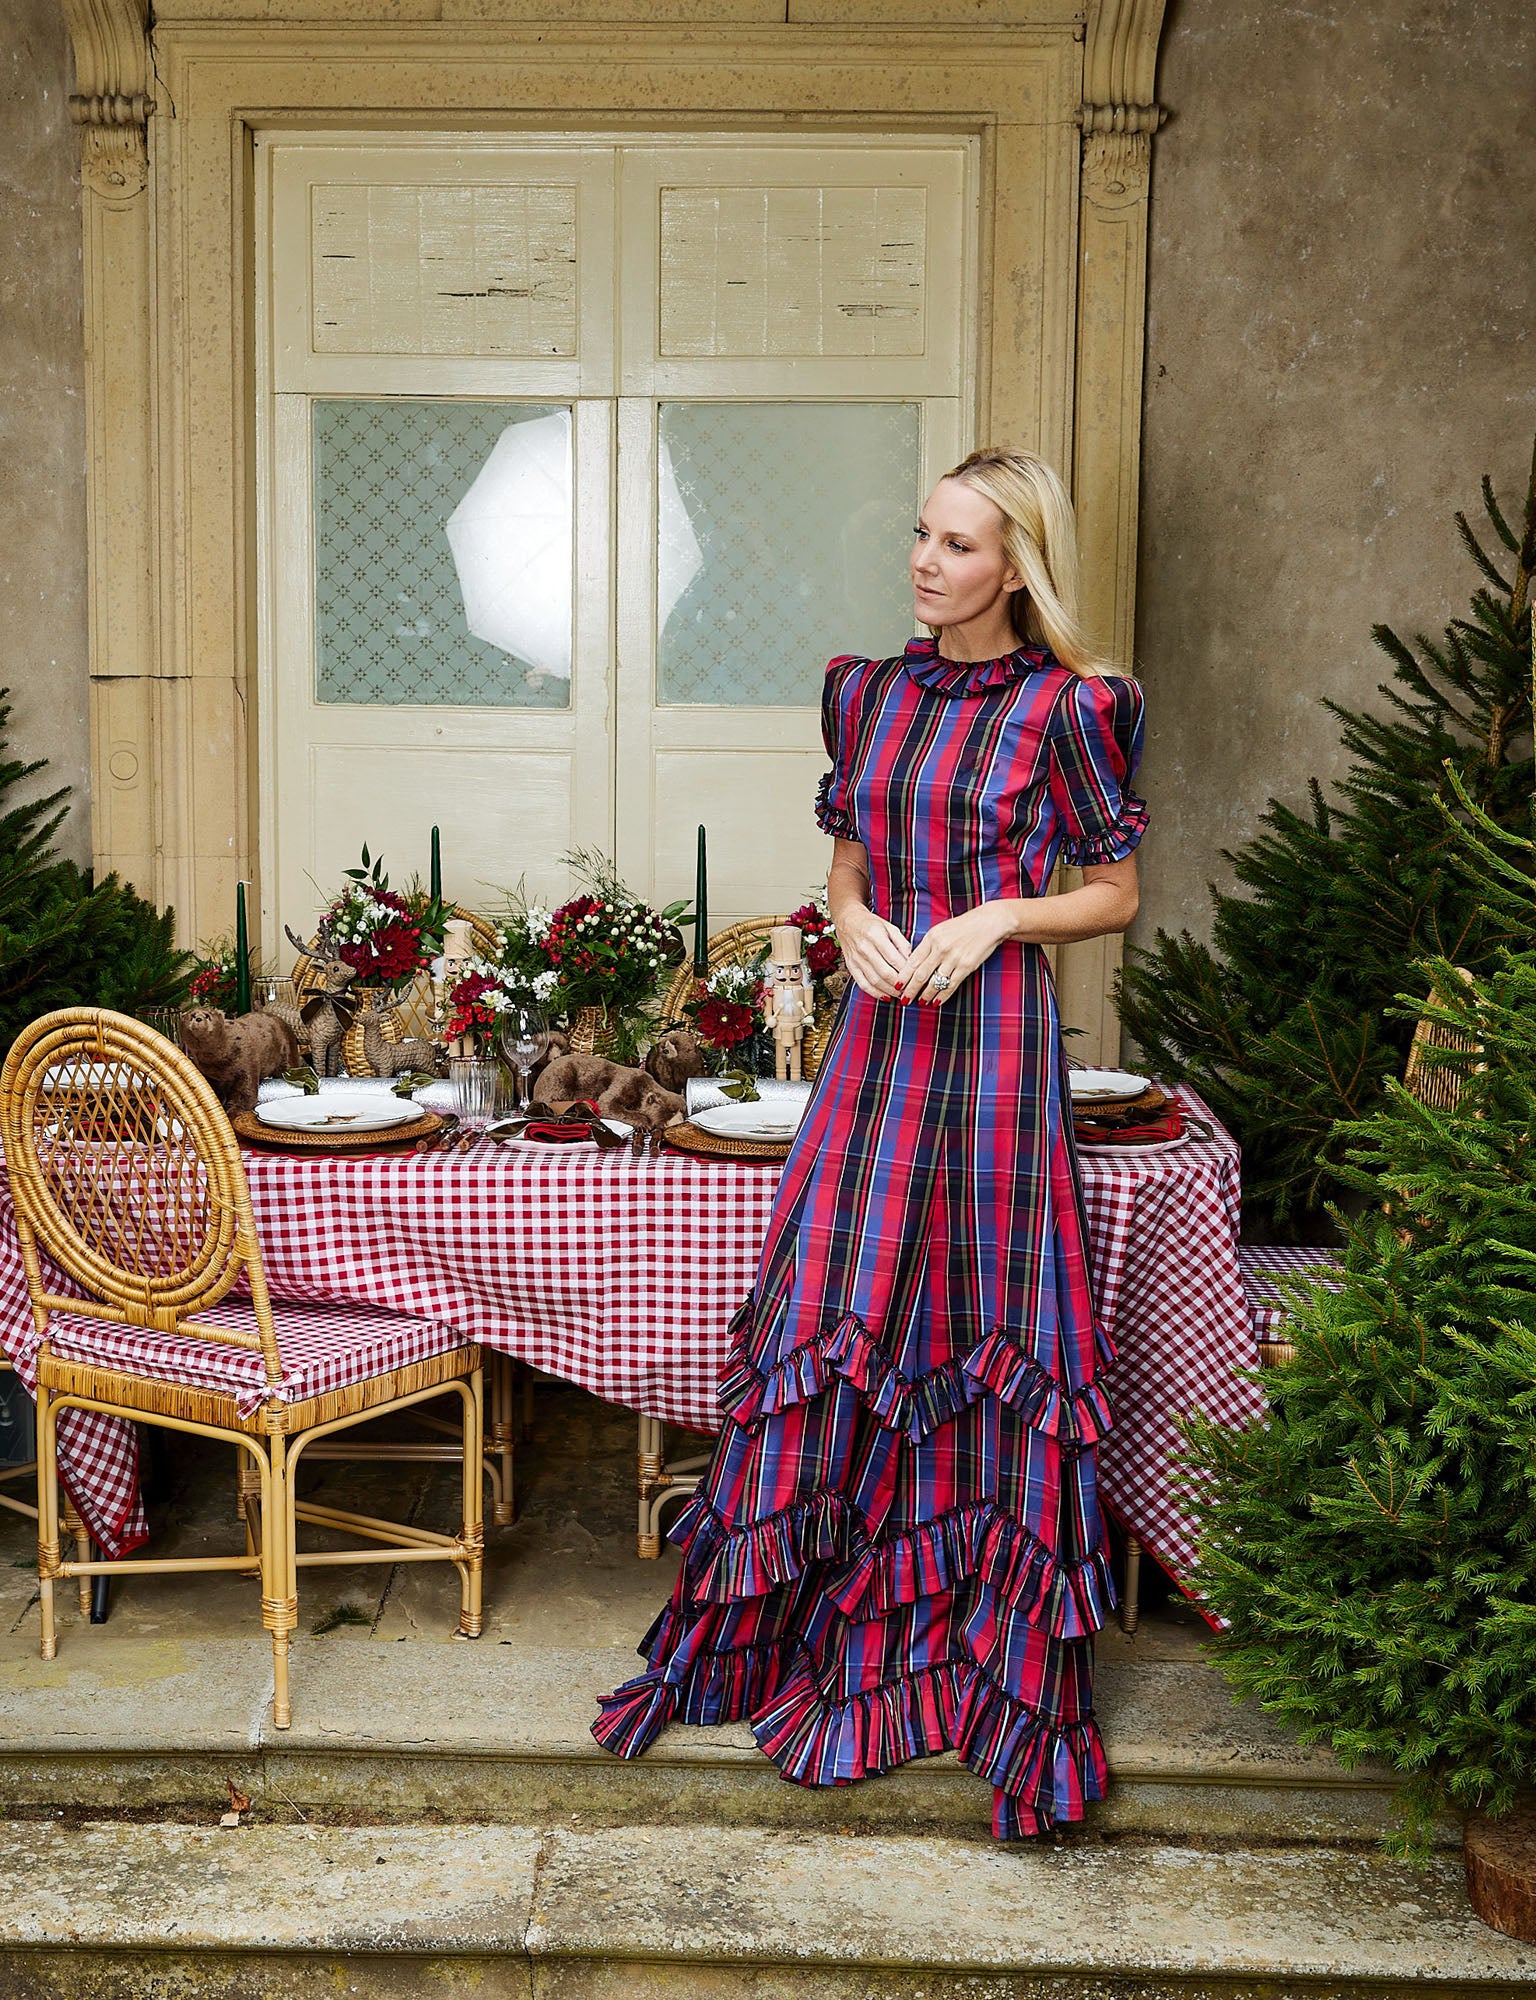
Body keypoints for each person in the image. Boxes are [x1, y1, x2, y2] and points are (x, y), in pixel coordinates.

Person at [594, 447, 1146, 1839]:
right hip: (879, 1050)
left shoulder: (1078, 708)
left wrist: (998, 918)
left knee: (977, 1331)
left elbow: (1115, 891)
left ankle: (970, 1667)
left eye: (959, 545)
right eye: (920, 533)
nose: (925, 561)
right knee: (841, 1315)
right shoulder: (869, 690)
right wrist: (848, 920)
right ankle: (805, 1640)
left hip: (999, 1057)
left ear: (1015, 567)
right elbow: (848, 852)